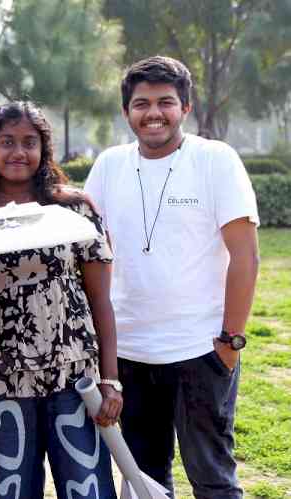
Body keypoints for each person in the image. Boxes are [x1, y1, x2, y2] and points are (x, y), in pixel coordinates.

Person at [84, 55, 259, 498]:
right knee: (143, 478)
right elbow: (89, 248)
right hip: (130, 352)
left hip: (200, 349)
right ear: (126, 113)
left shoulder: (215, 159)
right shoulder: (109, 164)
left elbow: (245, 257)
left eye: (166, 102)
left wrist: (230, 341)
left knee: (212, 476)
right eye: (141, 104)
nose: (153, 113)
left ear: (186, 107)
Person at [0, 101, 120, 498]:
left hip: (73, 376)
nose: (18, 152)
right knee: (12, 490)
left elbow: (101, 299)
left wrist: (110, 379)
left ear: (43, 149)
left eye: (29, 142)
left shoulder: (75, 208)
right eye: (7, 142)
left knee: (88, 489)